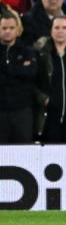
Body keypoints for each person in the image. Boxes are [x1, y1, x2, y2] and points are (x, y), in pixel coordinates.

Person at [0, 11, 38, 144]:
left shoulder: (26, 51)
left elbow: (32, 72)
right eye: (4, 28)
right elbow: (24, 73)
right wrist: (20, 70)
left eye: (11, 28)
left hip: (23, 110)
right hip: (1, 112)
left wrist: (6, 69)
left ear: (17, 30)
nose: (8, 31)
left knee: (24, 148)